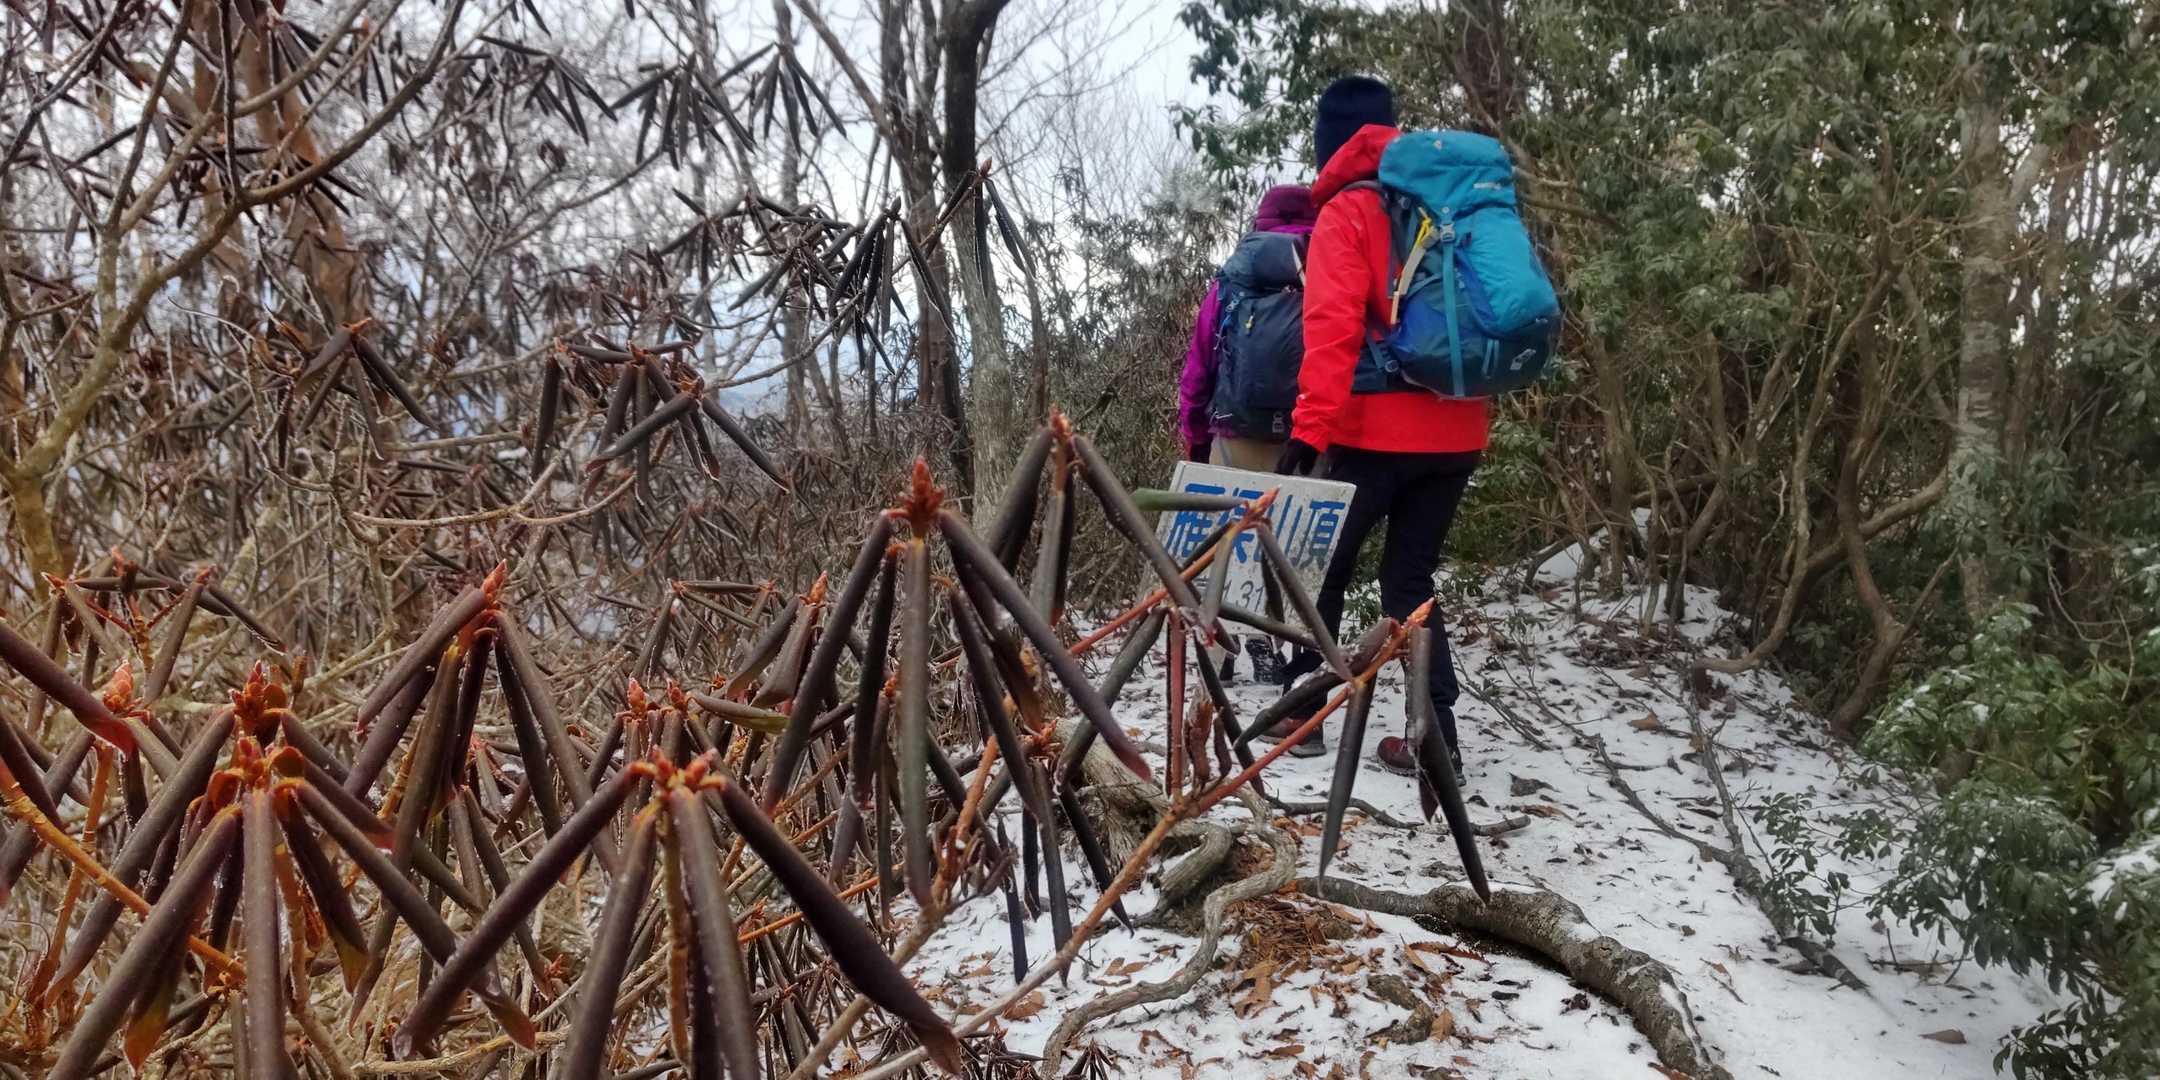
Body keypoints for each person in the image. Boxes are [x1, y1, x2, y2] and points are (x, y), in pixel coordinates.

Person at [1260, 76, 1488, 781]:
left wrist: (1309, 430)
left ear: (1328, 143)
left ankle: (1303, 712)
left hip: (1374, 431)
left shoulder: (1349, 210)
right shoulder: (1443, 198)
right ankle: (1435, 739)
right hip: (1459, 430)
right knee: (1410, 579)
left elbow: (1331, 329)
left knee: (1323, 567)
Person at [1177, 183, 1318, 683]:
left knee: (1229, 541)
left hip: (1235, 430)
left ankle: (1219, 654)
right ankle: (1271, 642)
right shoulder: (1328, 271)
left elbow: (1199, 368)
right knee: (1290, 546)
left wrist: (1196, 436)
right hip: (1307, 434)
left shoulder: (1232, 281)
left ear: (1261, 221)